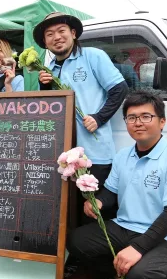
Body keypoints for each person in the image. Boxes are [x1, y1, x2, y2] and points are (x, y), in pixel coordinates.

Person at [67, 92, 167, 279]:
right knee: (76, 241)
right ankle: (119, 274)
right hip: (125, 226)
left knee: (142, 276)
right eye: (132, 117)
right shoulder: (123, 156)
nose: (138, 123)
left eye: (146, 116)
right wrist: (98, 201)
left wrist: (137, 249)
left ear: (162, 121)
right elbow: (110, 192)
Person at [34, 12, 129, 223]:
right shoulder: (49, 69)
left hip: (95, 156)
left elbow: (120, 89)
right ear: (45, 42)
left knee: (97, 215)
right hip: (65, 158)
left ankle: (102, 254)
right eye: (50, 34)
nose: (56, 37)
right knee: (72, 215)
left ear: (73, 33)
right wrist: (44, 86)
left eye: (61, 31)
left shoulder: (93, 56)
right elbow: (49, 112)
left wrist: (99, 117)